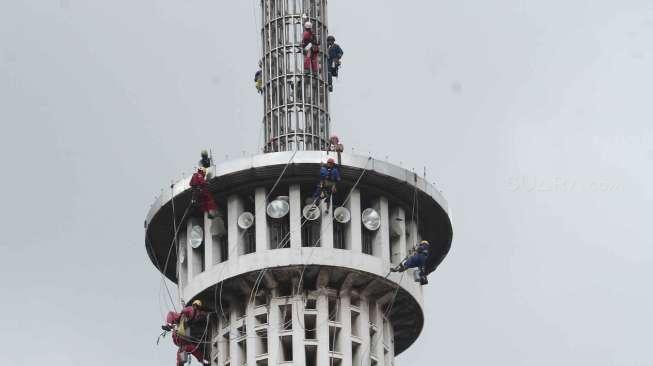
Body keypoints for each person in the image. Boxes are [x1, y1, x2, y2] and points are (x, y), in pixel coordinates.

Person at [162, 300, 210, 366]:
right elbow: (182, 313)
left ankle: (202, 361)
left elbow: (184, 312)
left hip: (182, 336)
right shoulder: (192, 312)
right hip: (182, 335)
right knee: (187, 349)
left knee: (187, 349)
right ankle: (203, 361)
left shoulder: (192, 311)